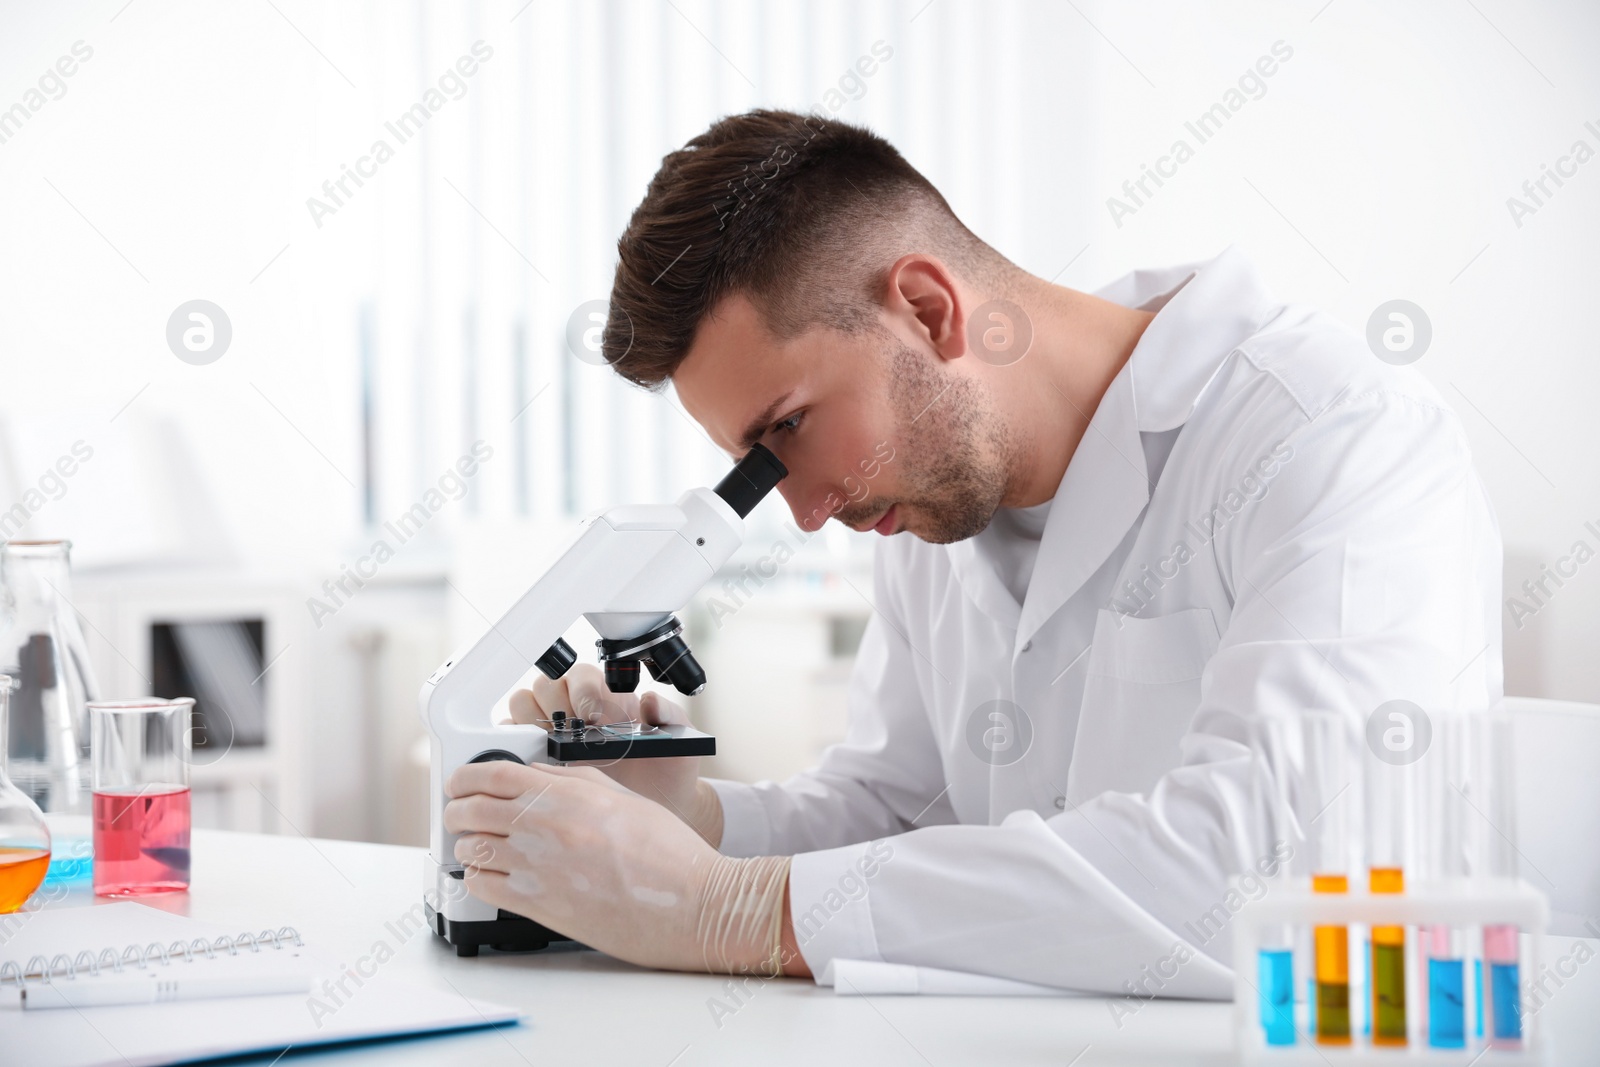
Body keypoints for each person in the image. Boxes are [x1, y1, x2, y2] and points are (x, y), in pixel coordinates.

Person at [443, 109, 1501, 994]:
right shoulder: (930, 505)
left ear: (924, 307)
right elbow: (904, 809)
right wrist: (688, 820)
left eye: (790, 431)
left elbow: (1294, 876)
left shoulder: (1329, 433)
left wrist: (727, 910)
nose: (804, 511)